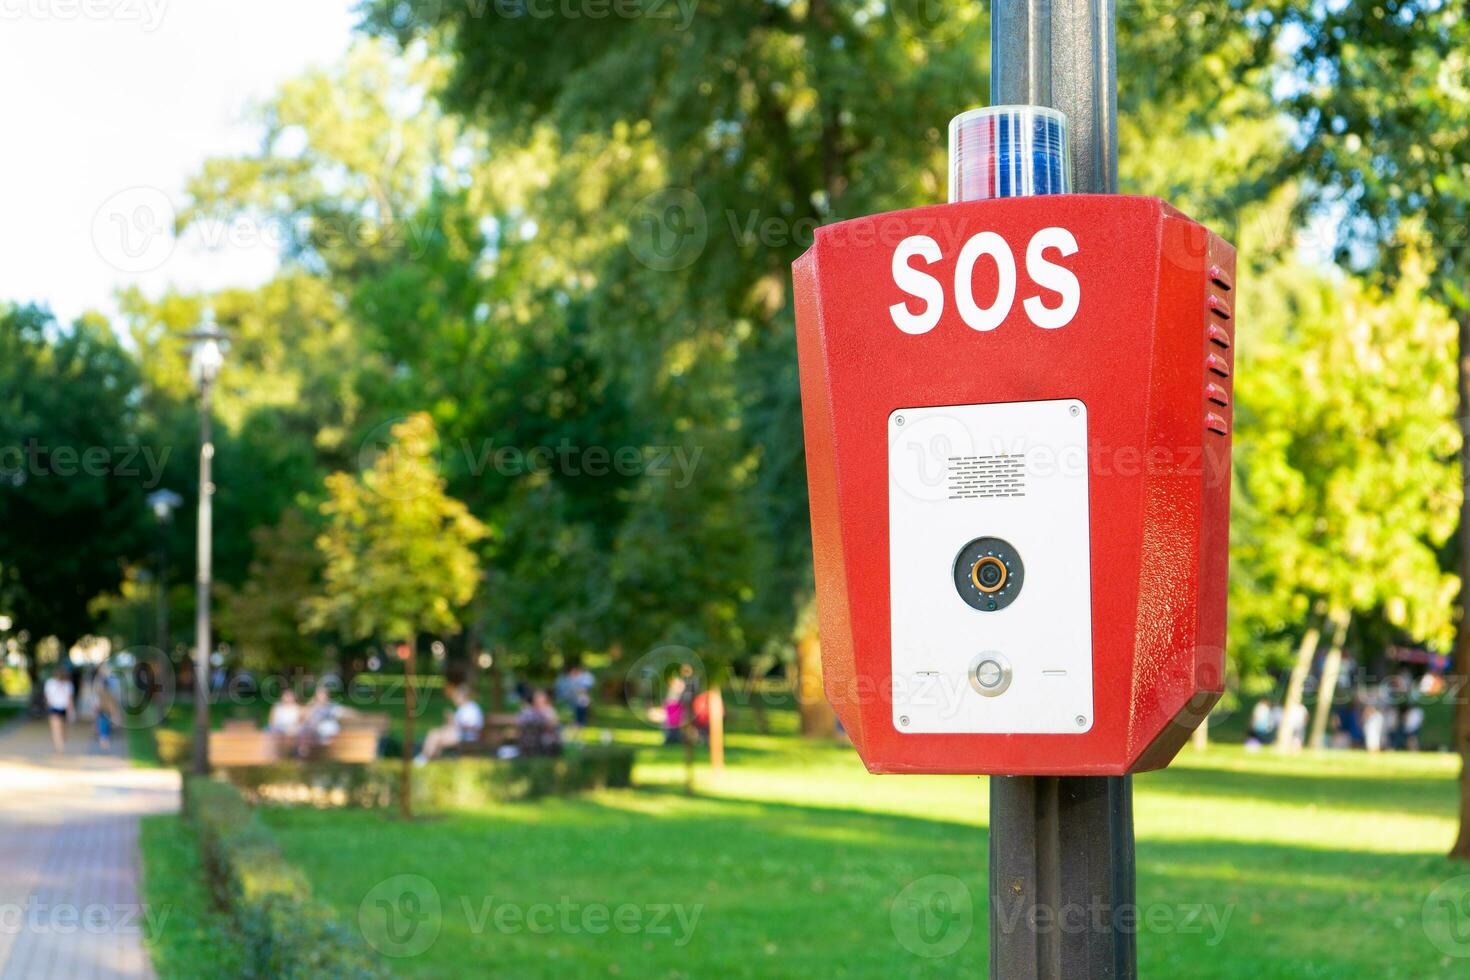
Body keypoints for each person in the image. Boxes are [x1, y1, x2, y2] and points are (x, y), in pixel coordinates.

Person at [416, 684, 485, 765]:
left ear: (463, 697)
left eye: (456, 697)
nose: (454, 700)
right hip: (460, 734)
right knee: (434, 733)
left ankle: (424, 759)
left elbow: (473, 726)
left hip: (466, 736)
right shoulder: (463, 708)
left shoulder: (471, 708)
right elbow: (456, 725)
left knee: (435, 736)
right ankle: (427, 759)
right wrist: (450, 720)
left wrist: (454, 721)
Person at [515, 688, 562, 758]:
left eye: (541, 699)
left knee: (551, 738)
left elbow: (555, 723)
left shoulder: (549, 710)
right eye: (537, 699)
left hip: (546, 736)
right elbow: (519, 722)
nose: (539, 701)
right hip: (530, 737)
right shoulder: (528, 711)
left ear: (545, 700)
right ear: (533, 700)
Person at [44, 665, 74, 754]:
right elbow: (47, 696)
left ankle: (60, 744)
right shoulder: (51, 683)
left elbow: (69, 699)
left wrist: (70, 711)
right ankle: (59, 747)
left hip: (60, 708)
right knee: (57, 729)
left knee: (61, 730)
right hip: (56, 708)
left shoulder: (67, 684)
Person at [93, 663, 120, 751]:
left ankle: (103, 736)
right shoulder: (99, 680)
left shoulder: (110, 679)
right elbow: (95, 692)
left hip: (107, 703)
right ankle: (103, 737)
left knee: (104, 719)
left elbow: (114, 693)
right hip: (102, 703)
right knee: (102, 719)